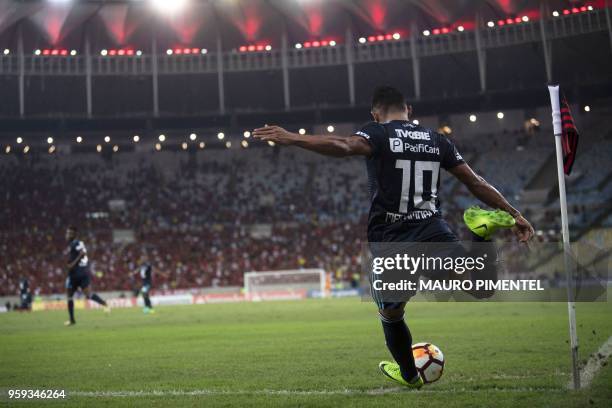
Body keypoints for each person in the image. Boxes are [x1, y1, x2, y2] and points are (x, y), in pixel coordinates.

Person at [253, 85, 534, 389]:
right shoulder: (436, 139)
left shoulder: (378, 133)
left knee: (391, 312)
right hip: (431, 229)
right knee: (480, 286)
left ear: (375, 113)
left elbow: (345, 146)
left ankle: (410, 375)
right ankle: (481, 233)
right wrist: (512, 212)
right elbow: (475, 182)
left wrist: (293, 137)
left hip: (393, 239)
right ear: (408, 110)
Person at [64, 225, 110, 325]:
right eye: (67, 233)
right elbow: (83, 254)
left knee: (69, 296)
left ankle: (72, 320)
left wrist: (73, 264)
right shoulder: (76, 243)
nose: (67, 235)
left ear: (74, 234)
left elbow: (82, 254)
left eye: (69, 233)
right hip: (82, 273)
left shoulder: (75, 243)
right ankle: (105, 304)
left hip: (75, 274)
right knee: (88, 295)